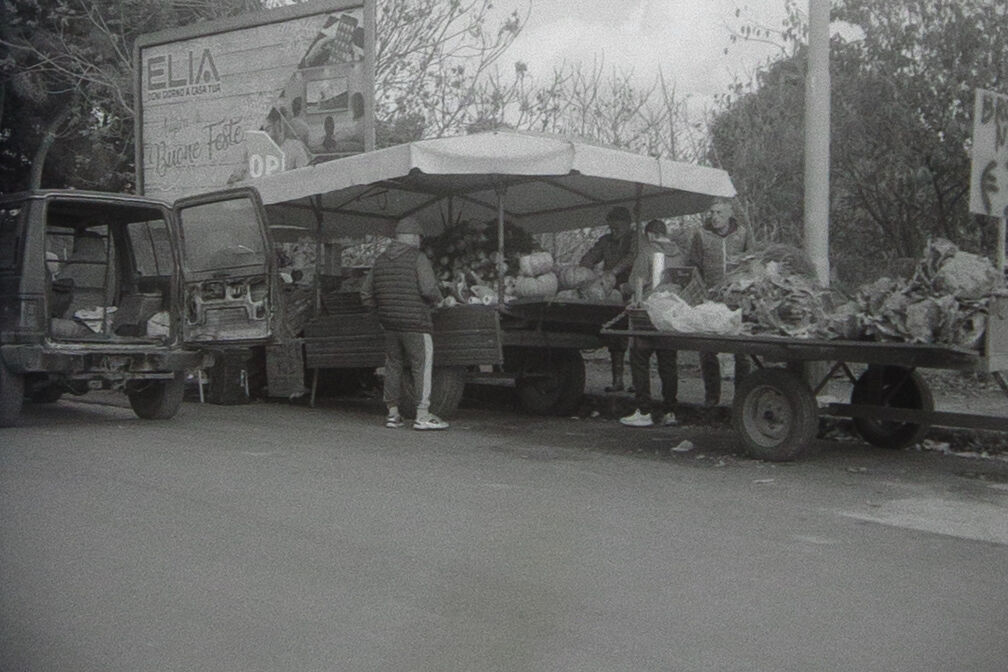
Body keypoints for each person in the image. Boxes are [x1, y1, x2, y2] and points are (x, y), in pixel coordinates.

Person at [360, 216, 449, 430]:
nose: (420, 241)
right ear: (412, 238)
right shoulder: (417, 258)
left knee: (392, 366)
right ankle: (422, 414)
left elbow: (365, 293)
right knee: (421, 366)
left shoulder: (380, 260)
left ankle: (392, 414)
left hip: (389, 324)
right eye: (419, 237)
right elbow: (428, 289)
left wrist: (379, 312)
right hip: (416, 324)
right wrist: (440, 300)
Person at [620, 220, 688, 427]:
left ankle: (644, 410)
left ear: (650, 235)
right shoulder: (679, 254)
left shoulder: (648, 251)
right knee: (668, 362)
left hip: (648, 312)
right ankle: (670, 411)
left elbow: (635, 283)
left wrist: (624, 287)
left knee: (639, 358)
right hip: (672, 312)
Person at [689, 200, 756, 406]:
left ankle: (741, 399)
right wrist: (701, 293)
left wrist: (745, 289)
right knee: (708, 349)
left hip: (737, 299)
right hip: (711, 300)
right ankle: (711, 397)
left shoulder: (743, 234)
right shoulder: (701, 235)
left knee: (742, 351)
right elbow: (694, 266)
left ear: (729, 215)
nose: (714, 217)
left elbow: (752, 262)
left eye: (719, 213)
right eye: (712, 213)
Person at [580, 206, 637, 392]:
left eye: (618, 227)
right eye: (611, 228)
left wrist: (613, 272)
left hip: (633, 289)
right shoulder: (605, 240)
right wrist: (583, 269)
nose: (614, 231)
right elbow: (591, 255)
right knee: (616, 336)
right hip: (610, 293)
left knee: (637, 339)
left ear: (628, 224)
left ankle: (638, 383)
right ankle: (617, 380)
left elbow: (632, 257)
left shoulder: (635, 239)